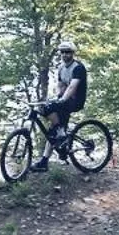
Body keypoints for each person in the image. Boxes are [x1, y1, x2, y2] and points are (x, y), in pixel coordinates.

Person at [32, 39, 89, 171]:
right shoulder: (61, 68)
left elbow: (72, 87)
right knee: (52, 130)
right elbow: (61, 85)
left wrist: (61, 100)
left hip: (75, 100)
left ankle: (61, 132)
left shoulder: (78, 68)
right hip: (65, 100)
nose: (64, 54)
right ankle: (45, 161)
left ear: (72, 53)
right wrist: (57, 96)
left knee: (51, 113)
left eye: (67, 52)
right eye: (62, 52)